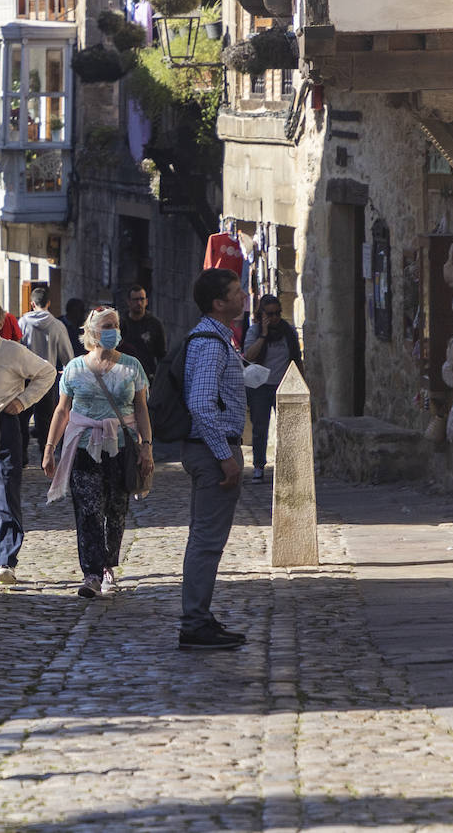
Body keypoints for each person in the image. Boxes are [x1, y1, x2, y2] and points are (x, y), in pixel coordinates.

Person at [43, 306, 155, 598]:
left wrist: (147, 447)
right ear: (92, 333)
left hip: (121, 449)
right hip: (84, 448)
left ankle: (108, 565)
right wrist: (49, 448)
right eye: (106, 326)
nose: (112, 331)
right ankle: (91, 572)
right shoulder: (75, 368)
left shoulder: (132, 367)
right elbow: (62, 409)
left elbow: (141, 409)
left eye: (115, 326)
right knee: (89, 510)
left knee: (116, 511)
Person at [180, 268, 248, 650]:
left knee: (205, 539)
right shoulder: (210, 342)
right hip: (210, 450)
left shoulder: (221, 339)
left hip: (210, 447)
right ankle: (194, 623)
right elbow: (201, 405)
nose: (244, 297)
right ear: (219, 303)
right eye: (237, 292)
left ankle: (200, 617)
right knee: (206, 541)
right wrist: (225, 457)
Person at [0, 299, 57, 585]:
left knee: (5, 493)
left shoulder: (14, 352)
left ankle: (7, 560)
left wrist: (23, 401)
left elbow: (47, 373)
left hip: (4, 424)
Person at [242, 294, 303, 483]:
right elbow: (249, 356)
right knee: (260, 427)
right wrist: (263, 334)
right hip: (260, 386)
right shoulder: (254, 332)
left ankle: (290, 467)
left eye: (277, 313)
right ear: (262, 315)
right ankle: (259, 466)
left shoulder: (288, 331)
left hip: (283, 385)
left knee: (288, 428)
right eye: (270, 314)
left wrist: (301, 382)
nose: (275, 318)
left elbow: (296, 359)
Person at [20, 286, 75, 458]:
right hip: (47, 378)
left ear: (32, 304)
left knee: (22, 417)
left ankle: (21, 454)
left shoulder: (22, 323)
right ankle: (46, 452)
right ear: (49, 303)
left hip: (25, 378)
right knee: (45, 419)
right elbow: (67, 355)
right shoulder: (57, 325)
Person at [119, 284, 167, 378]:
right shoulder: (121, 323)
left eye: (142, 299)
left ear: (146, 301)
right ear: (129, 302)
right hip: (124, 375)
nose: (139, 303)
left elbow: (162, 355)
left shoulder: (155, 324)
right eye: (136, 300)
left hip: (148, 376)